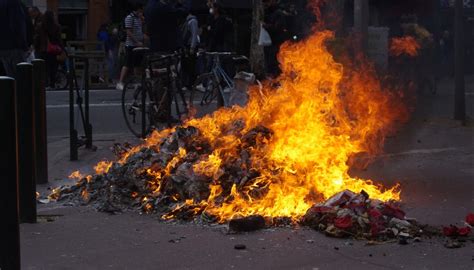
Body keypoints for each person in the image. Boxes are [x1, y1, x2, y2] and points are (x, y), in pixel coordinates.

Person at [116, 3, 144, 90]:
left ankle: (137, 82)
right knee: (127, 64)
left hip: (138, 44)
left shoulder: (138, 18)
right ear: (138, 9)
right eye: (141, 10)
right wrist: (136, 42)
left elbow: (139, 30)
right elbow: (129, 32)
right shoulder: (129, 18)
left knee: (137, 64)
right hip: (131, 45)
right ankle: (120, 82)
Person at [34, 10, 62, 89]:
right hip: (53, 51)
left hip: (43, 50)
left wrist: (36, 47)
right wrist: (61, 49)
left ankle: (44, 84)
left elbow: (37, 39)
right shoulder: (57, 26)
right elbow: (59, 40)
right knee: (53, 68)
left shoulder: (40, 26)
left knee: (44, 68)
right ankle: (52, 84)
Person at [0, 0, 29, 77]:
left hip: (3, 47)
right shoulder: (14, 3)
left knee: (9, 77)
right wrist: (24, 45)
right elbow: (17, 25)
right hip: (15, 46)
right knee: (22, 77)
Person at [181, 9, 200, 89]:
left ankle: (191, 83)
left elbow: (194, 34)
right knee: (185, 65)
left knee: (191, 65)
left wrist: (192, 47)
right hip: (186, 46)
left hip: (190, 46)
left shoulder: (192, 21)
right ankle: (186, 83)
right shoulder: (187, 21)